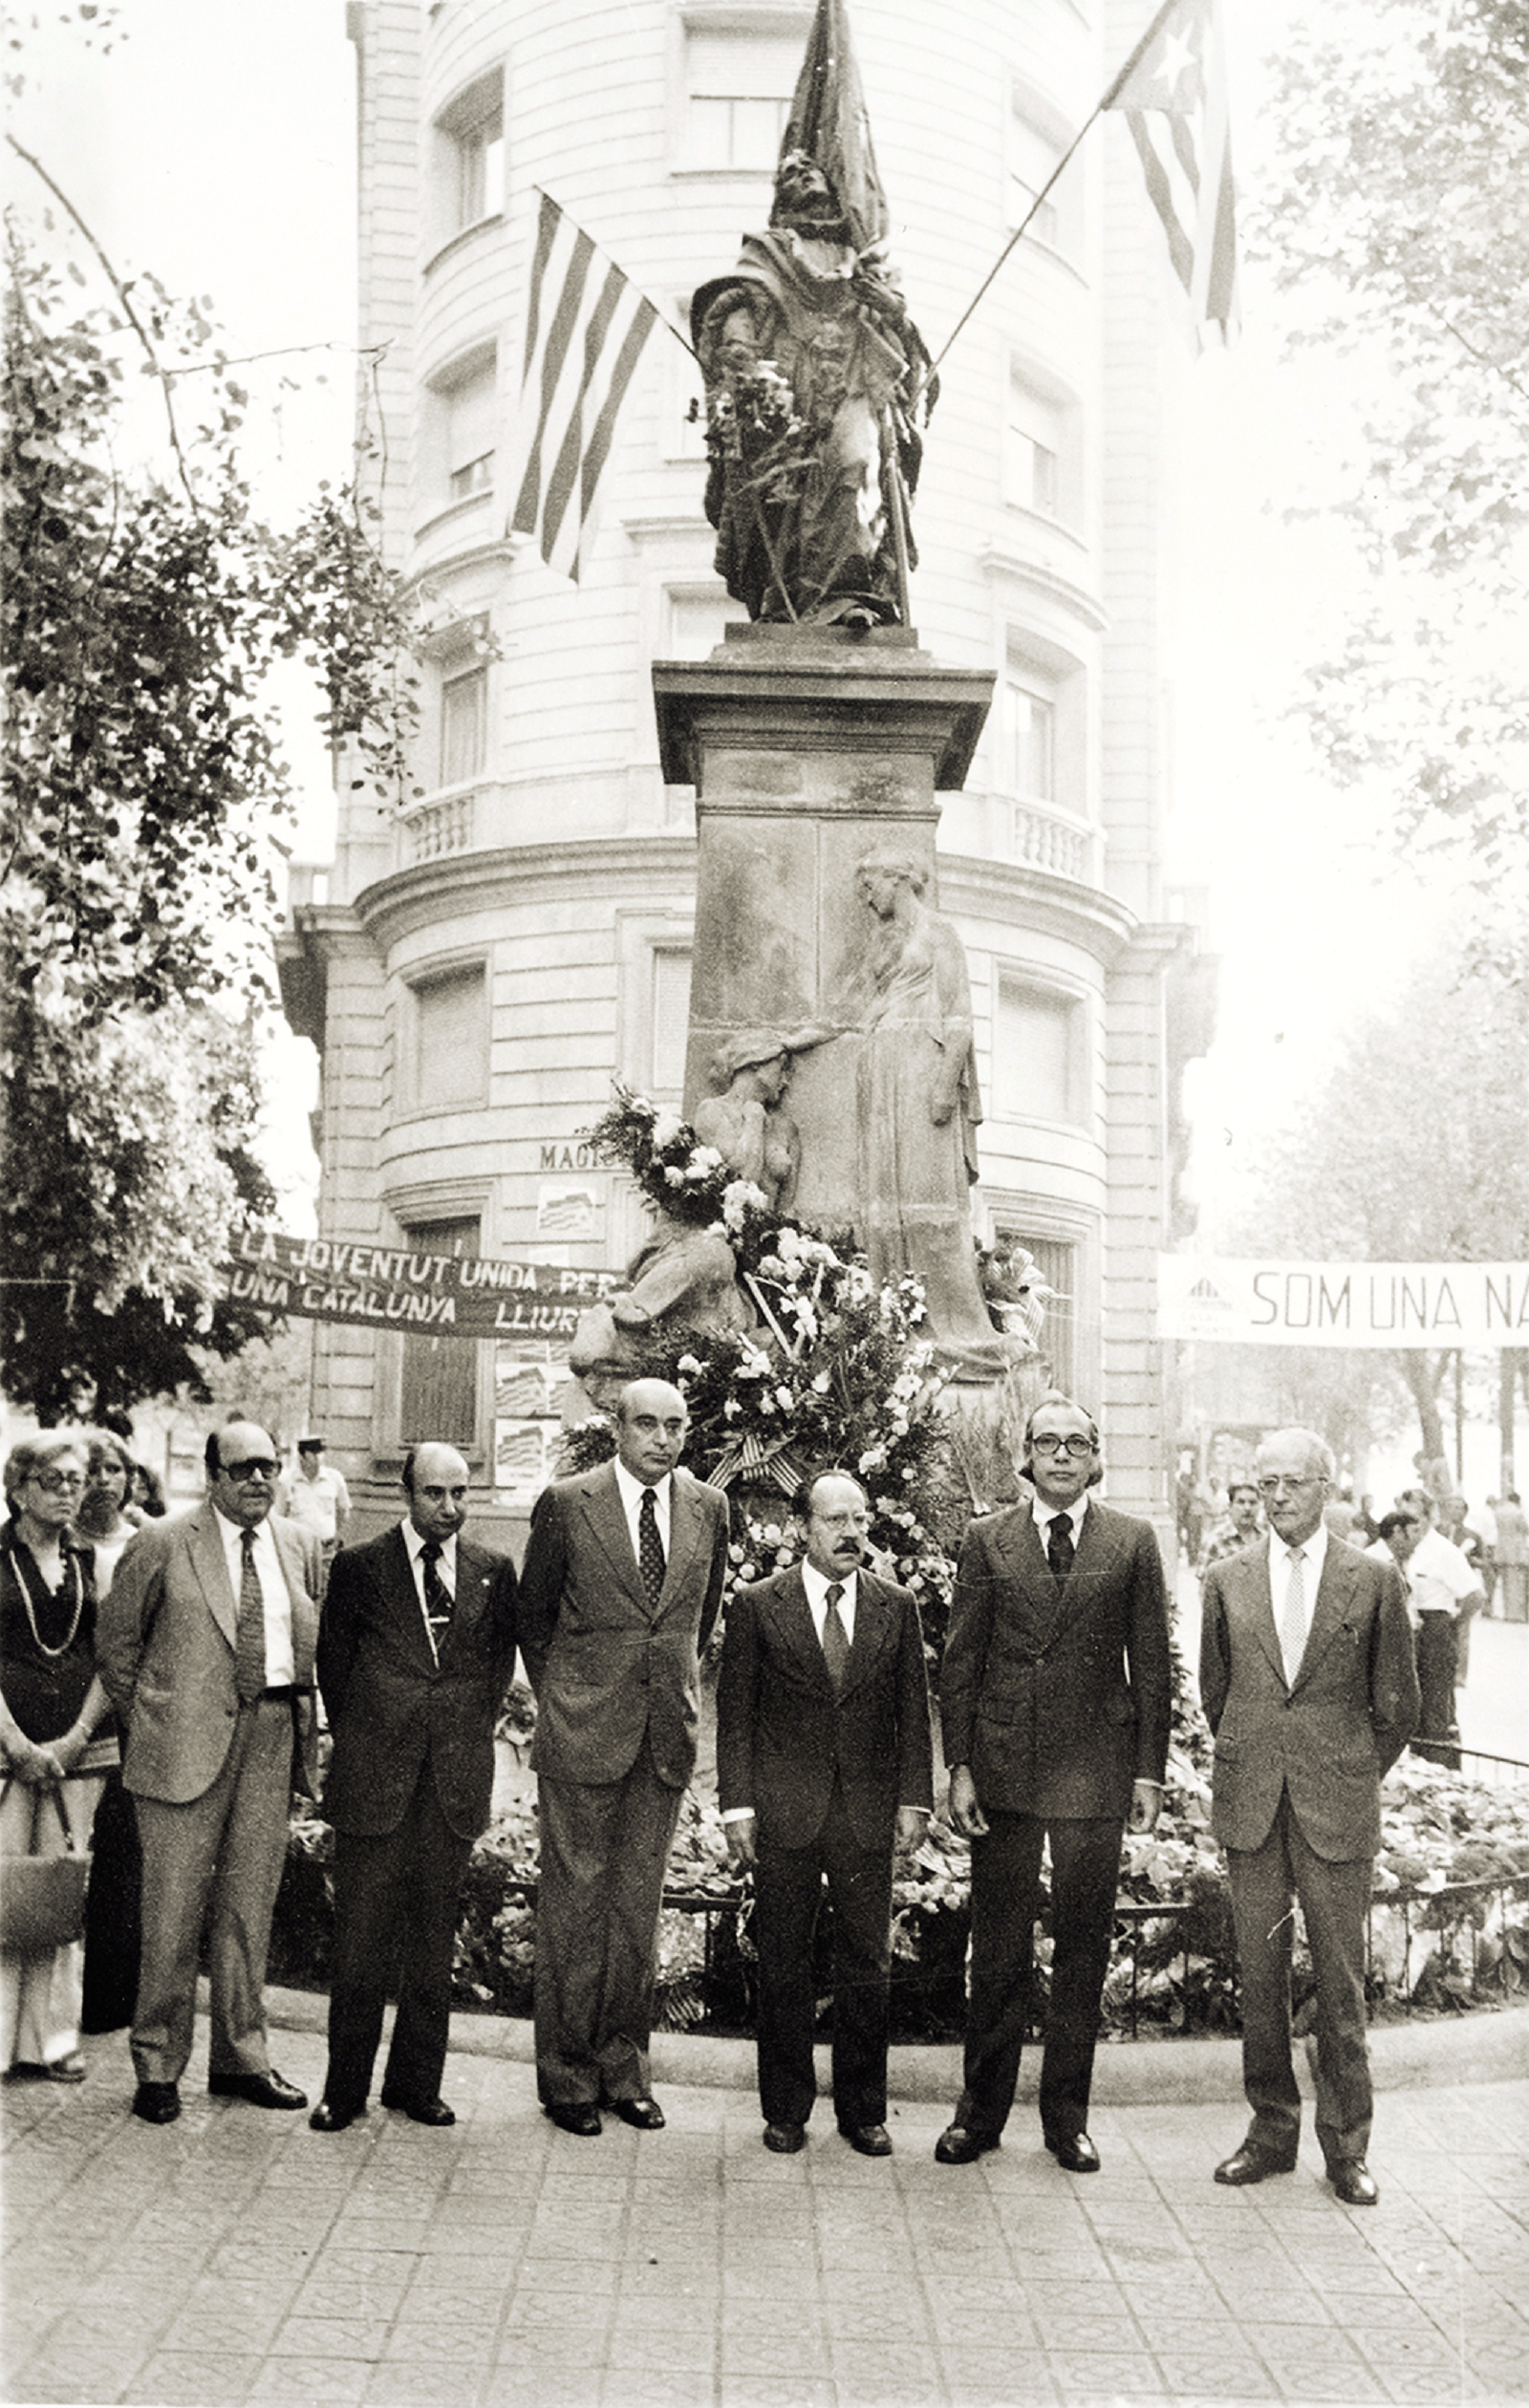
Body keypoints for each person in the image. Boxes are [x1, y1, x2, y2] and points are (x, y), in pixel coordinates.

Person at [935, 1393, 1172, 2172]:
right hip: (1004, 1771)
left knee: (1082, 1952)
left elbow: (1153, 1667)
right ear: (1025, 1457)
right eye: (1048, 1443)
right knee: (997, 1949)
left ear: (1095, 1456)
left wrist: (1147, 1772)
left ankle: (1066, 2118)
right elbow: (961, 1662)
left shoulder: (1132, 1542)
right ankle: (980, 2115)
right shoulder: (987, 1539)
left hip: (1094, 1776)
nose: (1062, 1455)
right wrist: (960, 1765)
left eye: (1077, 1444)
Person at [1200, 1428, 1419, 2207]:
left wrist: (1345, 1769)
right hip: (1253, 1803)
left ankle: (1347, 2149)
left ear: (1327, 1486)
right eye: (1267, 1484)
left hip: (1336, 1804)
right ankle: (1269, 2132)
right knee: (1258, 1980)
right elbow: (1215, 1692)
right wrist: (1264, 1758)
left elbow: (1398, 1705)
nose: (1280, 1497)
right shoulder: (1226, 1578)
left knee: (1340, 1982)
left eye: (1294, 1482)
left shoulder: (1372, 1578)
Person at [518, 1378, 729, 2134]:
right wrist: (573, 1698)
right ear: (618, 1429)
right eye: (647, 1424)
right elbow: (533, 1619)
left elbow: (697, 1622)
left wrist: (660, 1692)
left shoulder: (710, 1508)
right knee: (575, 1910)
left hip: (661, 1736)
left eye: (676, 1425)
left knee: (636, 1913)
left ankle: (625, 2071)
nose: (663, 1439)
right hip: (582, 1734)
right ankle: (568, 2080)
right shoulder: (569, 1503)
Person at [97, 1418, 322, 2125]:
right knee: (171, 1915)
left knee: (246, 1912)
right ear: (213, 1476)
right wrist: (159, 1720)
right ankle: (158, 2066)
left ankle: (241, 2059)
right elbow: (117, 1647)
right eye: (244, 1467)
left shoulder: (299, 1543)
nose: (260, 1479)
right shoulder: (163, 1543)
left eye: (270, 1466)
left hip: (271, 1737)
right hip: (180, 1750)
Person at [717, 1470, 933, 2156]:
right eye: (836, 1521)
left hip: (866, 1814)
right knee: (783, 1960)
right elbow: (736, 1718)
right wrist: (738, 1807)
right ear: (803, 1528)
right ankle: (785, 2108)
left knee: (868, 1962)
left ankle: (864, 2110)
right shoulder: (756, 1605)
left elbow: (911, 1715)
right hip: (786, 1814)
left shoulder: (896, 1606)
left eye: (861, 1519)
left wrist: (913, 1800)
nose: (852, 1533)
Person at [310, 1444, 519, 2132]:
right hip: (375, 1784)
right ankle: (345, 2090)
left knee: (433, 1948)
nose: (449, 1508)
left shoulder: (492, 1571)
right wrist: (377, 1740)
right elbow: (334, 1670)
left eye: (460, 1494)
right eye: (435, 1494)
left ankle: (415, 2085)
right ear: (407, 1493)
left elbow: (493, 1673)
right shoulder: (360, 1568)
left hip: (450, 1787)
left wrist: (453, 1738)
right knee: (362, 1944)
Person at [854, 844, 1008, 1380]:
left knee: (928, 1195)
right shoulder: (884, 939)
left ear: (898, 878)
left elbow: (960, 1015)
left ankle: (951, 1322)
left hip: (923, 1071)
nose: (865, 893)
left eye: (870, 881)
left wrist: (946, 1086)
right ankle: (892, 1316)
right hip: (884, 1071)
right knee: (888, 1197)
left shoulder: (939, 932)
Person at [1, 1437, 112, 2084]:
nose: (70, 1490)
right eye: (54, 1479)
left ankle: (53, 2041)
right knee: (5, 1888)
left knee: (60, 1894)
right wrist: (15, 1743)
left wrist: (75, 1737)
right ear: (18, 1488)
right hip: (4, 1750)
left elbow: (106, 1656)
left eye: (77, 1479)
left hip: (78, 1750)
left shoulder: (85, 1556)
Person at [74, 1430, 146, 2037]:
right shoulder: (55, 1543)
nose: (102, 1481)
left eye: (113, 1469)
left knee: (123, 1856)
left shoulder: (147, 1543)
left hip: (129, 1715)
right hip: (63, 1712)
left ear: (131, 1478)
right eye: (91, 1469)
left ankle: (107, 2002)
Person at [1384, 1489, 1483, 1765]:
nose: (1408, 1526)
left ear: (1429, 1517)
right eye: (1402, 1518)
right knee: (1413, 1709)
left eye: (1414, 1518)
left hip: (1435, 1629)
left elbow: (1475, 1597)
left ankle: (1444, 1773)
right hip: (1410, 1631)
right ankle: (1420, 1770)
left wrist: (1452, 1625)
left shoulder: (1443, 1551)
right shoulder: (1402, 1547)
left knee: (1437, 1710)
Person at [277, 1437, 352, 1572]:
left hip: (326, 1550)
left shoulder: (334, 1478)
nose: (319, 1458)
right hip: (297, 1551)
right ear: (302, 1457)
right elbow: (279, 1516)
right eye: (313, 1453)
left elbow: (343, 1509)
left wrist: (337, 1534)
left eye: (320, 1453)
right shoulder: (287, 1481)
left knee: (325, 1589)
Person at [1201, 1480, 1262, 1572]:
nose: (1247, 1508)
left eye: (1252, 1503)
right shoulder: (1216, 1542)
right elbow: (1205, 1583)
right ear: (1230, 1507)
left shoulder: (1267, 1540)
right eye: (1241, 1502)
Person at [1495, 1490, 1528, 1622]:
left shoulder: (1499, 1512)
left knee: (1506, 1583)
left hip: (1502, 1549)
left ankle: (1507, 1612)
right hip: (1516, 1550)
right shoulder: (1518, 1513)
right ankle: (1517, 1614)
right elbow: (1525, 1529)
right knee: (1518, 1585)